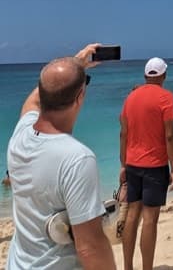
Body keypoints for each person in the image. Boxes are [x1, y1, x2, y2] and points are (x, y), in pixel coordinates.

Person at [6, 44, 116, 269]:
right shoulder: (77, 159)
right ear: (80, 97)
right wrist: (78, 64)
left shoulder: (22, 133)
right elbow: (90, 247)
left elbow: (32, 103)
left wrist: (76, 62)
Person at [120, 57, 173, 270]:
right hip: (155, 165)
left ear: (146, 76)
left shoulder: (130, 98)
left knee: (132, 214)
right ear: (163, 75)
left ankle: (127, 267)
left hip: (132, 163)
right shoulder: (166, 97)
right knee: (150, 220)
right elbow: (170, 135)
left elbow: (123, 133)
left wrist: (123, 165)